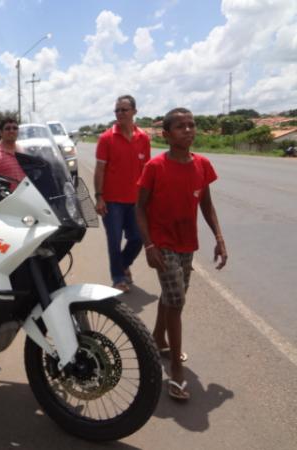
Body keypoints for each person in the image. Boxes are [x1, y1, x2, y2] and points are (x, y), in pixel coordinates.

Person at [135, 107, 228, 401]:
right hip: (162, 242)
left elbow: (206, 205)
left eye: (191, 125)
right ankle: (175, 368)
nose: (188, 130)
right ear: (166, 134)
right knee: (176, 300)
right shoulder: (155, 167)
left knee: (172, 296)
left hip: (187, 243)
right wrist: (148, 245)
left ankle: (157, 339)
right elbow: (139, 208)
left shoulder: (202, 165)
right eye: (180, 127)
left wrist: (219, 238)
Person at [94, 95, 151, 292]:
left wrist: (148, 197)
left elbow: (146, 171)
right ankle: (118, 278)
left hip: (135, 201)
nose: (120, 114)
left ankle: (123, 264)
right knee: (114, 240)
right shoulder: (106, 138)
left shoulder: (143, 138)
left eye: (124, 110)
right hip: (112, 201)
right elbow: (100, 169)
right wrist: (99, 196)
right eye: (117, 110)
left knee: (138, 238)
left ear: (134, 112)